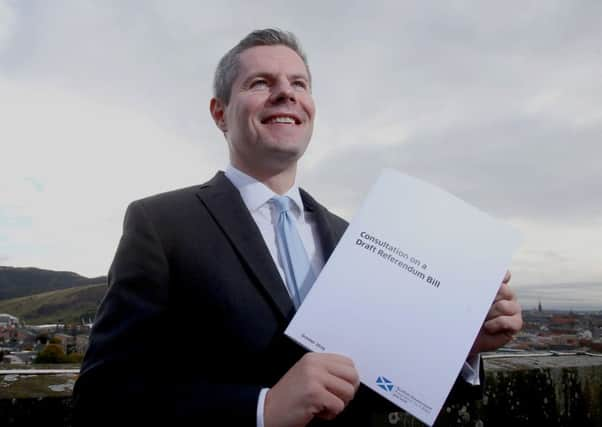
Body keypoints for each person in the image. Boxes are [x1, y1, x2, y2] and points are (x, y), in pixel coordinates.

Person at [73, 29, 522, 426]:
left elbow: (383, 386)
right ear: (219, 112)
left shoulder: (355, 237)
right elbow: (102, 396)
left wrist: (461, 349)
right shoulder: (161, 223)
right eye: (260, 83)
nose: (285, 93)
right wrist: (262, 409)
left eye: (299, 83)